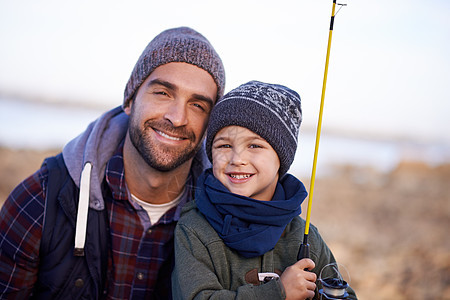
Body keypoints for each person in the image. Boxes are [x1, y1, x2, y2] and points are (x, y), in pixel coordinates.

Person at [0, 26, 225, 299]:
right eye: (163, 93)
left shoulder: (223, 221)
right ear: (130, 99)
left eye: (197, 105)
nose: (177, 118)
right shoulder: (41, 200)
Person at [172, 81, 357, 299]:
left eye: (254, 146)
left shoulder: (304, 235)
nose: (237, 159)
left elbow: (345, 294)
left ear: (282, 158)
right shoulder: (194, 229)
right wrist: (278, 293)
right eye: (224, 145)